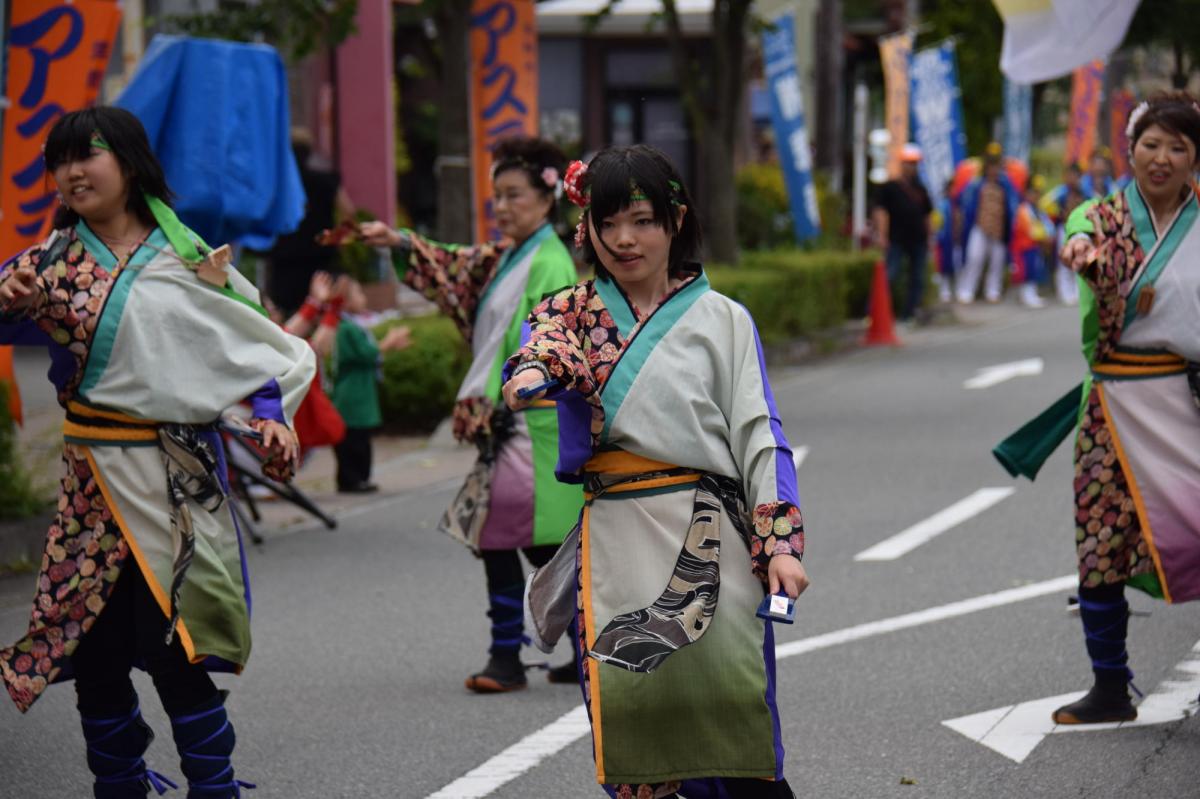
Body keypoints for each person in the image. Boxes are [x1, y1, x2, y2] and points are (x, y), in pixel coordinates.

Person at [0, 107, 316, 796]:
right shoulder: (46, 263)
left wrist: (272, 415)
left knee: (178, 645)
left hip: (176, 484)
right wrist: (10, 296)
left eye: (87, 154)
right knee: (96, 652)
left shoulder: (188, 255)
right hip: (92, 489)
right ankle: (118, 786)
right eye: (59, 161)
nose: (71, 172)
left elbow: (249, 344)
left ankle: (215, 787)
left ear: (131, 162)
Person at [503, 144, 808, 798]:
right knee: (634, 728)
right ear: (586, 228)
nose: (624, 239)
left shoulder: (724, 319)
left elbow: (760, 434)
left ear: (676, 221)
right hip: (615, 537)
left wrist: (780, 543)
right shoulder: (566, 313)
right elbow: (546, 349)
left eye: (642, 221)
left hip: (711, 536)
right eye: (608, 222)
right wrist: (532, 372)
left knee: (732, 711)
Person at [358, 136, 584, 692]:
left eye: (514, 195)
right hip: (513, 423)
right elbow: (457, 265)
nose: (501, 206)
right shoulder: (515, 254)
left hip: (528, 422)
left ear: (547, 198)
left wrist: (504, 395)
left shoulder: (548, 261)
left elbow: (543, 344)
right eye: (497, 195)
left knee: (504, 536)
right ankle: (578, 649)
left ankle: (510, 657)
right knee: (535, 542)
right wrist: (401, 240)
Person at [1049, 92, 1200, 724]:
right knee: (1100, 539)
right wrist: (1080, 250)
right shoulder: (1100, 216)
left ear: (1195, 158)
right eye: (1150, 144)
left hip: (1190, 400)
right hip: (1113, 407)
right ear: (1130, 150)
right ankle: (1110, 686)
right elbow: (1078, 233)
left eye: (1177, 147)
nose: (1161, 158)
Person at [314, 276, 410, 493]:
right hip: (352, 393)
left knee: (360, 438)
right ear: (346, 301)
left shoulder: (352, 325)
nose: (363, 297)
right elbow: (366, 353)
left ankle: (359, 478)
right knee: (353, 439)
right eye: (358, 293)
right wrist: (388, 342)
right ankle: (352, 479)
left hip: (359, 391)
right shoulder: (346, 328)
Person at [265, 128, 356, 317]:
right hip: (319, 250)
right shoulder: (325, 180)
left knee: (285, 311)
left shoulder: (278, 182)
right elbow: (348, 211)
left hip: (284, 254)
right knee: (320, 306)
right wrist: (338, 238)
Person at [873, 143, 933, 321]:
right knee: (889, 275)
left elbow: (927, 215)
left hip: (918, 239)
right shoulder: (890, 187)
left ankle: (909, 313)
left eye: (914, 163)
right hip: (896, 238)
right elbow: (881, 212)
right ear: (902, 163)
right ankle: (875, 313)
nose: (912, 167)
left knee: (917, 278)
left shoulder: (921, 189)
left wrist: (930, 237)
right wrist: (882, 235)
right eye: (909, 163)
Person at [957, 144, 1020, 304]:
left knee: (997, 262)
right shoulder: (977, 183)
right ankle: (967, 290)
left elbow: (1014, 203)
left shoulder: (1006, 184)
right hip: (980, 226)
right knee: (974, 258)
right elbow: (963, 200)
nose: (993, 169)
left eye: (996, 165)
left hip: (999, 229)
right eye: (991, 165)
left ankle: (993, 291)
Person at [1041, 163, 1087, 305]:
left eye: (1074, 176)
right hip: (1064, 229)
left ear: (1079, 177)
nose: (1071, 178)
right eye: (1069, 175)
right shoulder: (1060, 191)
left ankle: (1078, 291)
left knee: (1079, 260)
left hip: (1080, 230)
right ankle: (1064, 292)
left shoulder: (1085, 192)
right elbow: (1044, 204)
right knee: (1063, 259)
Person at [1009, 176, 1053, 309]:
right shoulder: (1023, 210)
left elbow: (1047, 226)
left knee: (1034, 270)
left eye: (1037, 193)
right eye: (1033, 193)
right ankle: (1026, 295)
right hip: (1024, 246)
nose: (1035, 196)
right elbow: (1030, 229)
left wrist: (1048, 235)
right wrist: (1044, 237)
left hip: (1034, 246)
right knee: (1026, 271)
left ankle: (1031, 293)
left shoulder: (1038, 209)